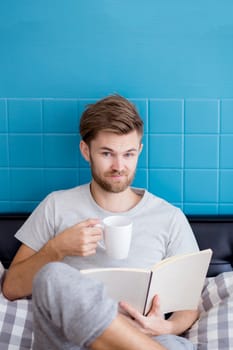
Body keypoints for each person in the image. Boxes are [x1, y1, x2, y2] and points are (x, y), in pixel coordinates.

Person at [3, 94, 199, 350]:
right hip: (71, 342)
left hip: (147, 338)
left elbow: (190, 302)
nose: (119, 166)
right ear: (86, 151)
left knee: (176, 345)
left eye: (128, 154)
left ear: (139, 150)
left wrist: (166, 327)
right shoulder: (56, 205)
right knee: (52, 275)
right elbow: (11, 288)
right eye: (107, 153)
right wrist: (57, 249)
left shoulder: (169, 217)